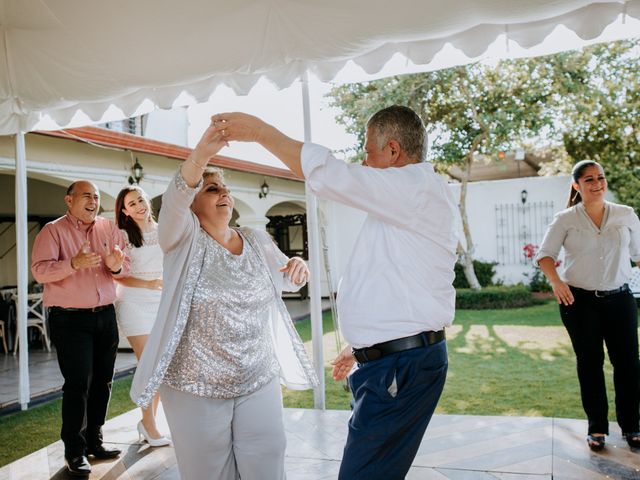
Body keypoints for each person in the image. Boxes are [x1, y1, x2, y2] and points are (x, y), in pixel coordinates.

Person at [211, 105, 459, 479]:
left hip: (400, 366)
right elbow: (395, 278)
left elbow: (332, 175)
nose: (363, 159)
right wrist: (363, 344)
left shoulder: (414, 187)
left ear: (393, 151)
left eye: (368, 150)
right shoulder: (409, 198)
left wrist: (261, 133)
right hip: (393, 360)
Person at [129, 126, 318, 480]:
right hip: (193, 384)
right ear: (192, 203)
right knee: (209, 473)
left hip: (257, 376)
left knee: (268, 461)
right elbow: (174, 199)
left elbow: (285, 279)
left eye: (226, 189)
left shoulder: (256, 238)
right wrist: (201, 154)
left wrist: (298, 267)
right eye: (213, 188)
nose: (224, 194)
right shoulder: (180, 239)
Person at [536, 160, 640, 452]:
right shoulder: (565, 219)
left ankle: (632, 426)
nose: (597, 184)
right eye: (589, 180)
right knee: (590, 364)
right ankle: (597, 428)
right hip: (579, 303)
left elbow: (639, 254)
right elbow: (546, 255)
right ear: (576, 186)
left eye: (601, 178)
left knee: (629, 364)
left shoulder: (626, 215)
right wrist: (556, 281)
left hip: (620, 300)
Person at [31, 180, 129, 476]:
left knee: (103, 381)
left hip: (105, 316)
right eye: (87, 195)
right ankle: (74, 450)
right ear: (69, 200)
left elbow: (123, 266)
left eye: (97, 196)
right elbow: (39, 271)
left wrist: (115, 266)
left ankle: (94, 440)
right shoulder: (52, 231)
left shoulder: (108, 228)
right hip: (70, 318)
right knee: (78, 384)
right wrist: (72, 263)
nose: (93, 201)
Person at [114, 186, 170, 447]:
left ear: (147, 201)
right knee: (149, 363)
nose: (138, 206)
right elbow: (116, 273)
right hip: (135, 302)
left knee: (158, 366)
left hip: (162, 302)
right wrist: (147, 284)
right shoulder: (122, 235)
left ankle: (148, 422)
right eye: (131, 204)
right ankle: (149, 425)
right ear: (125, 211)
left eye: (140, 200)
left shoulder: (165, 230)